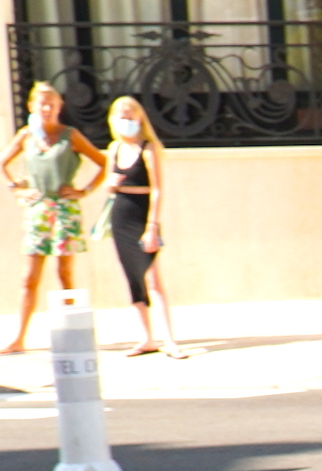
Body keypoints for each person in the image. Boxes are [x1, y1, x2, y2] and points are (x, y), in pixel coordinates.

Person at [0, 83, 107, 354]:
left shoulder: (69, 136)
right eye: (42, 104)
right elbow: (3, 162)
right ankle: (19, 338)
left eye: (52, 105)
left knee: (65, 273)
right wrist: (18, 188)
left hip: (64, 211)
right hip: (38, 211)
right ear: (32, 107)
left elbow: (102, 162)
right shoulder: (26, 136)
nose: (47, 110)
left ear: (59, 108)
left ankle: (74, 333)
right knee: (30, 277)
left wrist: (84, 190)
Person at [100, 97, 188, 358]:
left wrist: (152, 225)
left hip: (142, 215)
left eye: (131, 116)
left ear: (140, 119)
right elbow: (107, 184)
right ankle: (146, 338)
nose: (126, 121)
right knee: (133, 278)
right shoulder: (114, 149)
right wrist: (111, 183)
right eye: (122, 117)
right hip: (121, 215)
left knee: (152, 278)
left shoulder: (148, 148)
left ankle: (169, 339)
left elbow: (158, 189)